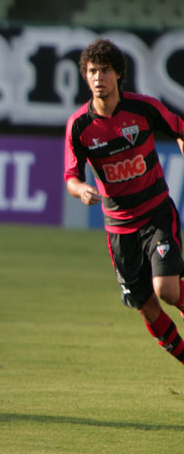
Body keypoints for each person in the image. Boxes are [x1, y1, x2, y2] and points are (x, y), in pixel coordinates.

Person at [64, 38, 184, 366]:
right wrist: (80, 190)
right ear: (85, 77)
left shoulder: (143, 108)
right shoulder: (80, 126)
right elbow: (71, 177)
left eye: (104, 70)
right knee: (146, 305)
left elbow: (180, 128)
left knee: (168, 290)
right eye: (92, 71)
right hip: (119, 228)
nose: (98, 77)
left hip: (156, 213)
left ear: (118, 75)